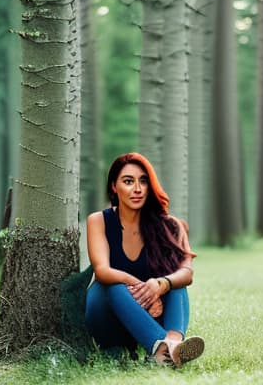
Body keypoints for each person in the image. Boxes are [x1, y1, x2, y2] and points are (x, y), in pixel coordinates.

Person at [84, 152, 204, 367]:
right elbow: (102, 270)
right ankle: (160, 348)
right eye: (128, 181)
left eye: (143, 181)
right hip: (107, 317)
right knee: (112, 284)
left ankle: (172, 344)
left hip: (148, 320)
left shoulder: (171, 225)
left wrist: (161, 285)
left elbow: (187, 273)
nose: (137, 189)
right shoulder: (98, 221)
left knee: (175, 282)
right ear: (114, 186)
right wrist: (147, 290)